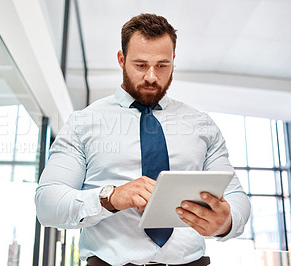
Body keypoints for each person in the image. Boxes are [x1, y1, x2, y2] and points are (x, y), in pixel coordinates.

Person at [35, 13, 250, 266]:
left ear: (173, 61)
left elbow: (236, 197)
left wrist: (226, 222)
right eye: (140, 64)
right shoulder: (83, 123)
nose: (151, 76)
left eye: (162, 65)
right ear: (121, 59)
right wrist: (111, 198)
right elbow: (48, 203)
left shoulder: (202, 124)